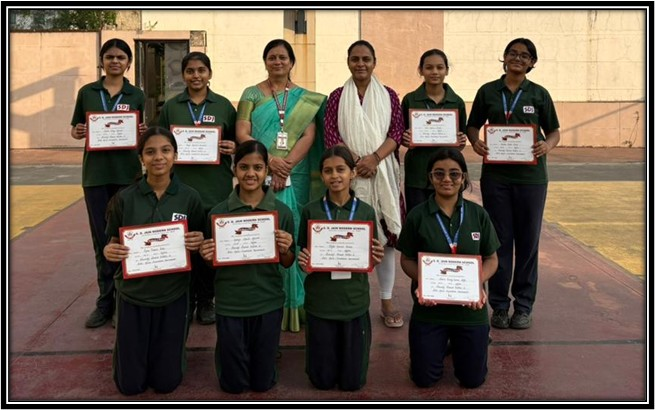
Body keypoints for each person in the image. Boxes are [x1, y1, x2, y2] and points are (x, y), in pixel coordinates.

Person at [466, 38, 561, 330]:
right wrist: (475, 142)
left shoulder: (539, 94)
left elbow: (554, 131)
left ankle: (523, 306)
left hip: (531, 179)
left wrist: (547, 146)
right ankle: (499, 305)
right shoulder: (487, 91)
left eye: (524, 56)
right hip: (496, 178)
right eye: (512, 53)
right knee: (499, 241)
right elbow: (472, 125)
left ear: (532, 62)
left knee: (528, 243)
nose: (517, 58)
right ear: (504, 57)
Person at [103, 126, 205, 395]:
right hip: (133, 294)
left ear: (175, 155)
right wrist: (109, 251)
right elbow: (112, 241)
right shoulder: (124, 198)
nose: (158, 157)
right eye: (150, 152)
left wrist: (198, 242)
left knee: (166, 383)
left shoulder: (190, 197)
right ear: (141, 158)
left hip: (173, 294)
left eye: (165, 150)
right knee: (129, 386)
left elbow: (200, 240)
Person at [236, 39, 327, 332]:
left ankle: (296, 304)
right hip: (259, 170)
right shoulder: (251, 93)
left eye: (283, 57)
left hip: (295, 174)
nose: (277, 62)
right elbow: (242, 132)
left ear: (291, 62)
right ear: (265, 61)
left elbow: (309, 135)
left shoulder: (305, 99)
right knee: (263, 231)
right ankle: (268, 302)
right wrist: (271, 161)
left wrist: (285, 165)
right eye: (272, 57)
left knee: (294, 232)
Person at [396, 148, 500, 389]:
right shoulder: (417, 216)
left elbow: (492, 259)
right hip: (430, 310)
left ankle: (457, 345)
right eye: (439, 173)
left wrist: (476, 283)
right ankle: (437, 347)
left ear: (463, 178)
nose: (446, 179)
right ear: (430, 178)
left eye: (454, 174)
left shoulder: (478, 214)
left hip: (471, 311)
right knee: (423, 380)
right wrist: (424, 282)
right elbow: (406, 259)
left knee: (472, 380)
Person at [198, 140, 295, 394]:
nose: (250, 173)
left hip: (268, 301)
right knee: (234, 386)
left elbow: (288, 262)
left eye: (258, 167)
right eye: (244, 167)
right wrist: (207, 255)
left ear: (267, 171)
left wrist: (286, 249)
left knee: (263, 384)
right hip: (231, 303)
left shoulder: (282, 213)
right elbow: (212, 263)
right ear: (234, 169)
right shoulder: (218, 214)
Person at [324, 39, 405, 328]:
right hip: (349, 175)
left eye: (366, 59)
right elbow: (331, 135)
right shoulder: (337, 97)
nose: (360, 64)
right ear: (348, 62)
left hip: (383, 173)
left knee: (386, 238)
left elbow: (397, 132)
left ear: (374, 62)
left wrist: (374, 159)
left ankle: (386, 299)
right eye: (355, 59)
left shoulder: (389, 95)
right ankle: (348, 298)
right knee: (348, 234)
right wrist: (358, 162)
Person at [70, 38, 148, 328]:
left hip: (128, 175)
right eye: (110, 56)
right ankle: (105, 301)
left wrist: (142, 131)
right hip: (96, 176)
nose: (115, 61)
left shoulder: (136, 94)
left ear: (129, 62)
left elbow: (141, 131)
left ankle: (125, 300)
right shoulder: (87, 92)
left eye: (121, 57)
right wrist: (79, 131)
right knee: (102, 239)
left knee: (127, 237)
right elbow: (75, 129)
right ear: (101, 61)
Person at [296, 146, 385, 391]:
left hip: (353, 301)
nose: (335, 176)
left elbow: (370, 256)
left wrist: (375, 258)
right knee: (321, 382)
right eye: (328, 171)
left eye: (341, 169)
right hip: (321, 301)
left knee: (352, 383)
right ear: (322, 175)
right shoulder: (311, 210)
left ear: (352, 173)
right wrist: (305, 261)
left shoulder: (365, 212)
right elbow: (304, 253)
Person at [159, 51, 237, 326]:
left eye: (201, 70)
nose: (196, 76)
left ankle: (206, 300)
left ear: (209, 73)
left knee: (209, 249)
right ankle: (185, 301)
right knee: (182, 247)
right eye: (190, 71)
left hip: (215, 190)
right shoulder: (171, 107)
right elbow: (161, 143)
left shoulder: (224, 106)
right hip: (179, 191)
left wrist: (233, 147)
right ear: (183, 75)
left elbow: (237, 143)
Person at [401, 48, 468, 213]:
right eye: (429, 67)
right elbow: (401, 134)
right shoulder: (410, 100)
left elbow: (460, 140)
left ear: (447, 70)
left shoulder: (457, 102)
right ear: (420, 70)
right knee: (418, 217)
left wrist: (460, 141)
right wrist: (406, 139)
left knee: (447, 216)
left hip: (447, 175)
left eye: (440, 67)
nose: (435, 72)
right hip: (418, 173)